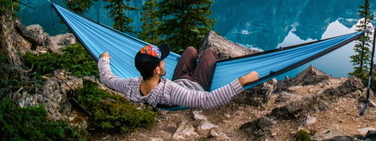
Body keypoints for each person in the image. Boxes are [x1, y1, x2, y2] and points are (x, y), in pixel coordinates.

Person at [98, 43, 259, 109]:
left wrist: (103, 58)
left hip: (179, 79)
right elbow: (208, 100)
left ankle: (194, 56)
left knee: (190, 50)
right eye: (162, 61)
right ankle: (204, 56)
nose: (164, 63)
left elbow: (107, 78)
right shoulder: (171, 92)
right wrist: (242, 81)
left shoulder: (131, 84)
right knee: (209, 52)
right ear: (157, 70)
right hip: (196, 85)